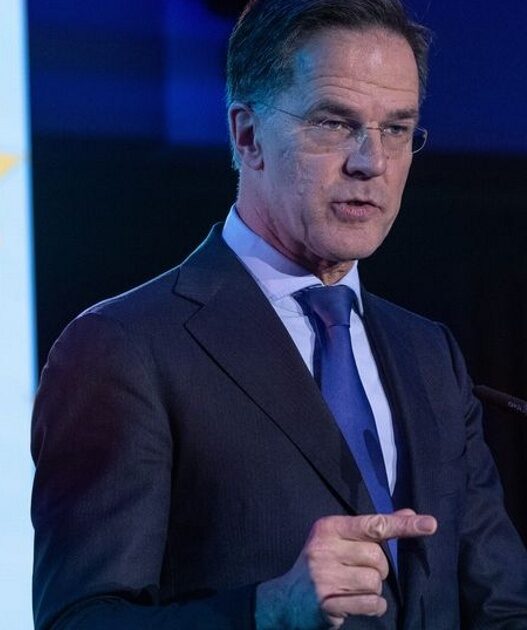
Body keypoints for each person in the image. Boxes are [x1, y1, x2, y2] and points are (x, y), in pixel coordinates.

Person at [31, 0, 527, 628]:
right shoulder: (123, 348)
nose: (371, 162)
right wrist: (266, 612)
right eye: (334, 123)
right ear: (247, 136)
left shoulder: (429, 353)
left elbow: (501, 604)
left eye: (397, 129)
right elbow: (79, 620)